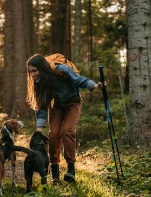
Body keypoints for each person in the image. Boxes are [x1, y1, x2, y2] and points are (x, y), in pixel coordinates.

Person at [26, 54, 104, 183]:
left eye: (35, 71)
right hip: (56, 105)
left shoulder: (61, 69)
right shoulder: (39, 82)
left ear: (42, 68)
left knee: (68, 131)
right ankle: (55, 174)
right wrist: (39, 130)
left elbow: (79, 80)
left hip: (73, 103)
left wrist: (95, 86)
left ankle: (70, 171)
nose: (32, 75)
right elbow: (42, 105)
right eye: (30, 72)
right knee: (54, 134)